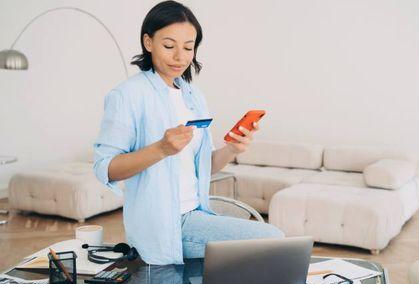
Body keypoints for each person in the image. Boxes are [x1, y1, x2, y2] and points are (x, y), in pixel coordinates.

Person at [93, 0, 284, 265]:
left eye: (188, 47)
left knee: (268, 253)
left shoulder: (193, 96)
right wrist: (161, 149)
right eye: (169, 46)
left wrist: (232, 149)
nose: (180, 57)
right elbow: (106, 168)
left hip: (195, 215)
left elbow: (204, 167)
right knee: (272, 239)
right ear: (148, 43)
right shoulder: (127, 96)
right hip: (163, 226)